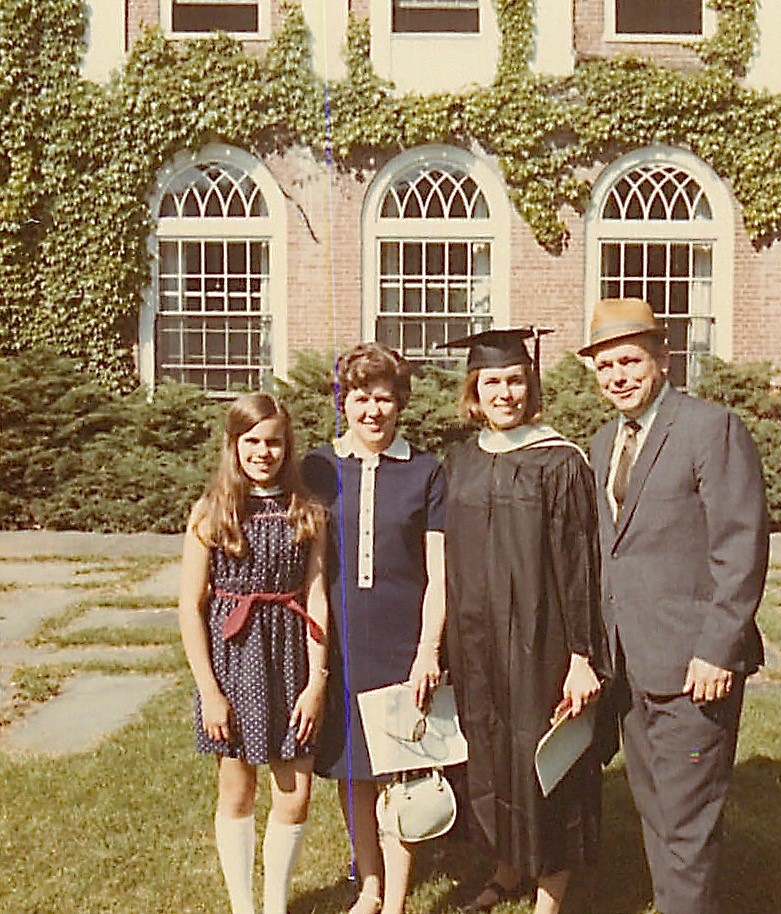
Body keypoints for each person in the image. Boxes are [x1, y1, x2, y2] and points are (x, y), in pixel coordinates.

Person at [580, 298, 769, 914]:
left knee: (688, 818)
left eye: (630, 360)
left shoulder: (708, 427)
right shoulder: (606, 438)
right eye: (606, 366)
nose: (619, 377)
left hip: (695, 667)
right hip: (630, 664)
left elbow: (739, 548)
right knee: (657, 808)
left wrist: (718, 650)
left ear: (663, 359)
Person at [442, 329, 609, 914]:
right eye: (493, 382)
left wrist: (583, 656)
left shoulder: (561, 462)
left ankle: (549, 897)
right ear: (474, 391)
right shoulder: (460, 461)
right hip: (477, 646)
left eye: (516, 380)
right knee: (492, 755)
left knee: (544, 762)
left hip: (543, 645)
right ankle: (508, 867)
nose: (505, 392)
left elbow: (580, 565)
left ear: (530, 386)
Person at [301, 342, 447, 914]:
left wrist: (428, 650)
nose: (373, 412)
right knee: (352, 768)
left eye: (384, 399)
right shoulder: (317, 467)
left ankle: (398, 898)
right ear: (344, 402)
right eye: (361, 398)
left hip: (403, 638)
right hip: (340, 640)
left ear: (400, 402)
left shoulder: (426, 471)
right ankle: (369, 883)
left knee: (401, 768)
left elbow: (439, 572)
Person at [178, 393, 330, 914]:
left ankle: (274, 904)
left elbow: (316, 596)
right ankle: (243, 905)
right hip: (234, 659)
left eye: (274, 442)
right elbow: (190, 607)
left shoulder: (305, 511)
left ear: (288, 448)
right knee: (238, 785)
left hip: (291, 654)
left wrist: (316, 682)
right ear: (233, 445)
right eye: (253, 442)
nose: (263, 452)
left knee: (295, 789)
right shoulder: (213, 512)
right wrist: (209, 691)